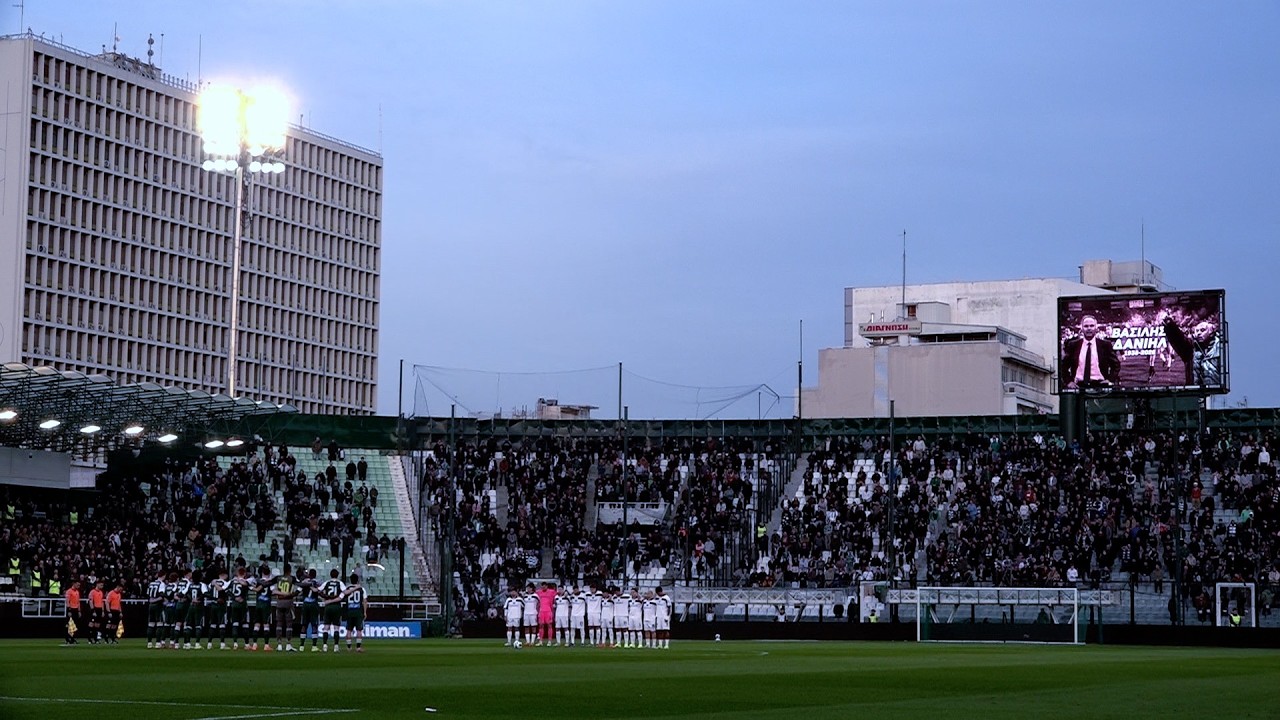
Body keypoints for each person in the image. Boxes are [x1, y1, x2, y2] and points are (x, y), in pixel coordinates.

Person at [1161, 310, 1222, 388]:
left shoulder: (1221, 347)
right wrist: (1170, 326)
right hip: (1194, 393)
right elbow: (1179, 340)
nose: (1198, 333)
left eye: (1203, 330)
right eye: (1196, 331)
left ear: (1211, 332)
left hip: (1216, 393)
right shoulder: (1190, 350)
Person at [1061, 315, 1120, 389]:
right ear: (1081, 328)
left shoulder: (1105, 345)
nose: (1089, 328)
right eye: (1086, 326)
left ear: (1096, 328)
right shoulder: (1073, 345)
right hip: (1078, 387)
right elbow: (1064, 366)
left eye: (1091, 326)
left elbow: (1116, 365)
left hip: (1100, 386)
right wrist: (1069, 382)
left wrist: (1110, 380)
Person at [319, 569, 347, 652]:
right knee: (336, 628)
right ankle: (336, 646)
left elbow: (318, 591)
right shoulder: (340, 583)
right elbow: (345, 592)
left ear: (330, 575)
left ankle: (324, 645)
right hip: (336, 606)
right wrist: (339, 597)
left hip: (328, 606)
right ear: (337, 575)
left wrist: (325, 597)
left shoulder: (327, 582)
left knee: (326, 627)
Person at [272, 563, 298, 652]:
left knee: (279, 623)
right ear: (290, 570)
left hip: (279, 602)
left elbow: (270, 586)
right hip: (288, 602)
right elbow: (300, 586)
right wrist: (292, 594)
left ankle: (279, 644)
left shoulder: (278, 578)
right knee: (289, 624)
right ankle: (288, 644)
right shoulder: (292, 578)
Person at [299, 568, 322, 651]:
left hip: (305, 604)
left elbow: (299, 590)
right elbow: (320, 591)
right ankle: (314, 646)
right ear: (315, 574)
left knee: (304, 625)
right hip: (313, 604)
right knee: (314, 625)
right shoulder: (318, 582)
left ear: (309, 574)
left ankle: (301, 646)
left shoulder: (304, 582)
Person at [145, 570, 166, 649]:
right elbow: (161, 595)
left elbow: (148, 594)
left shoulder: (151, 583)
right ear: (163, 575)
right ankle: (157, 643)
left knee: (151, 624)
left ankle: (149, 643)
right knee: (159, 624)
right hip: (158, 605)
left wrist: (151, 600)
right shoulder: (162, 584)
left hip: (151, 605)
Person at [64, 579, 82, 645]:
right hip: (71, 609)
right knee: (68, 624)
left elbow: (78, 602)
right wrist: (69, 610)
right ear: (74, 584)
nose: (78, 586)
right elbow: (67, 601)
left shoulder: (77, 592)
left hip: (76, 609)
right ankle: (67, 638)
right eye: (77, 584)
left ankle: (72, 638)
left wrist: (79, 610)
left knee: (74, 625)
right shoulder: (69, 591)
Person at [87, 579, 106, 644]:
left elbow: (102, 602)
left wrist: (103, 611)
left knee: (97, 625)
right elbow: (91, 602)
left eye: (102, 585)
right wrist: (93, 611)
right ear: (97, 584)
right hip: (94, 609)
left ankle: (95, 639)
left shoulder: (101, 592)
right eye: (101, 585)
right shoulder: (92, 592)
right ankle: (89, 639)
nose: (102, 586)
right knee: (91, 624)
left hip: (99, 609)